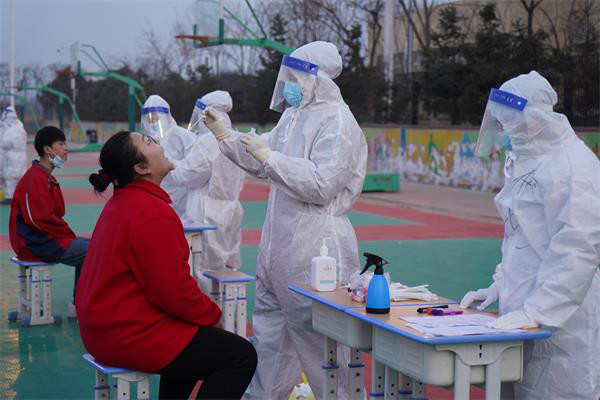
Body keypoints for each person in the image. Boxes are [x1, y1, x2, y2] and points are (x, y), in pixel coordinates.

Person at [203, 41, 368, 399]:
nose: (288, 85)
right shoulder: (293, 117)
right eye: (287, 76)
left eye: (294, 77)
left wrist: (272, 159)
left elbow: (322, 185)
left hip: (317, 247)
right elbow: (261, 159)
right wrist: (226, 136)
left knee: (324, 350)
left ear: (318, 78)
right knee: (269, 340)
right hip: (278, 245)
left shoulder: (338, 121)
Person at [77, 131, 257, 400]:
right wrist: (213, 315)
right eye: (149, 142)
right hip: (125, 333)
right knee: (240, 355)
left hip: (104, 328)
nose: (159, 144)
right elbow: (173, 291)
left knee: (193, 341)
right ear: (141, 168)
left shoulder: (124, 202)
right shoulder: (151, 212)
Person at [461, 70, 600, 399]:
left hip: (563, 321)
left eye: (510, 122)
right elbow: (518, 237)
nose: (506, 132)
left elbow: (576, 252)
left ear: (533, 118)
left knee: (557, 390)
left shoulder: (574, 167)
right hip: (522, 314)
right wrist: (500, 283)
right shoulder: (528, 162)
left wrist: (538, 311)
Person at [8, 126, 89, 317]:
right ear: (47, 149)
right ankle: (80, 305)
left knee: (93, 245)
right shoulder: (35, 178)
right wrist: (65, 233)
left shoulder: (45, 177)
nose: (65, 149)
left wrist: (65, 233)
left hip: (44, 238)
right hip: (35, 243)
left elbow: (57, 211)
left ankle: (80, 303)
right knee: (92, 251)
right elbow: (38, 220)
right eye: (61, 144)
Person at [185, 91, 244, 285]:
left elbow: (190, 174)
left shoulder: (208, 140)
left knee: (202, 269)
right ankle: (230, 314)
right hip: (232, 210)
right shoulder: (234, 136)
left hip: (207, 212)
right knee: (228, 267)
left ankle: (209, 314)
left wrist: (170, 165)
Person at [140, 95, 195, 216]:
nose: (153, 123)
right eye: (149, 120)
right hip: (156, 196)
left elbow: (195, 164)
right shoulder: (145, 141)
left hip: (182, 197)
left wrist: (171, 165)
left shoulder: (182, 136)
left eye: (156, 119)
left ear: (166, 116)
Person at [0, 107, 28, 204]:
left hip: (12, 155)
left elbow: (5, 143)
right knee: (20, 176)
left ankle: (10, 197)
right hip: (21, 155)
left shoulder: (11, 130)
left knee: (11, 176)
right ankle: (22, 196)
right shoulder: (20, 127)